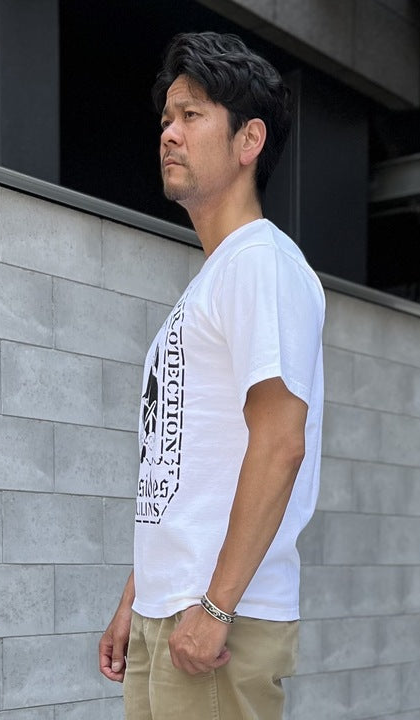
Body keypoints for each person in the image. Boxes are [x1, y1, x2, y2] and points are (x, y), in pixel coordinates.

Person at [98, 31, 325, 720]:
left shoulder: (261, 264)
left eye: (192, 115)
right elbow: (184, 469)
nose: (169, 132)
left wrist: (216, 607)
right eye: (167, 118)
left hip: (220, 621)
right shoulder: (214, 280)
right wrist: (137, 597)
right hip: (172, 614)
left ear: (249, 139)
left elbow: (281, 443)